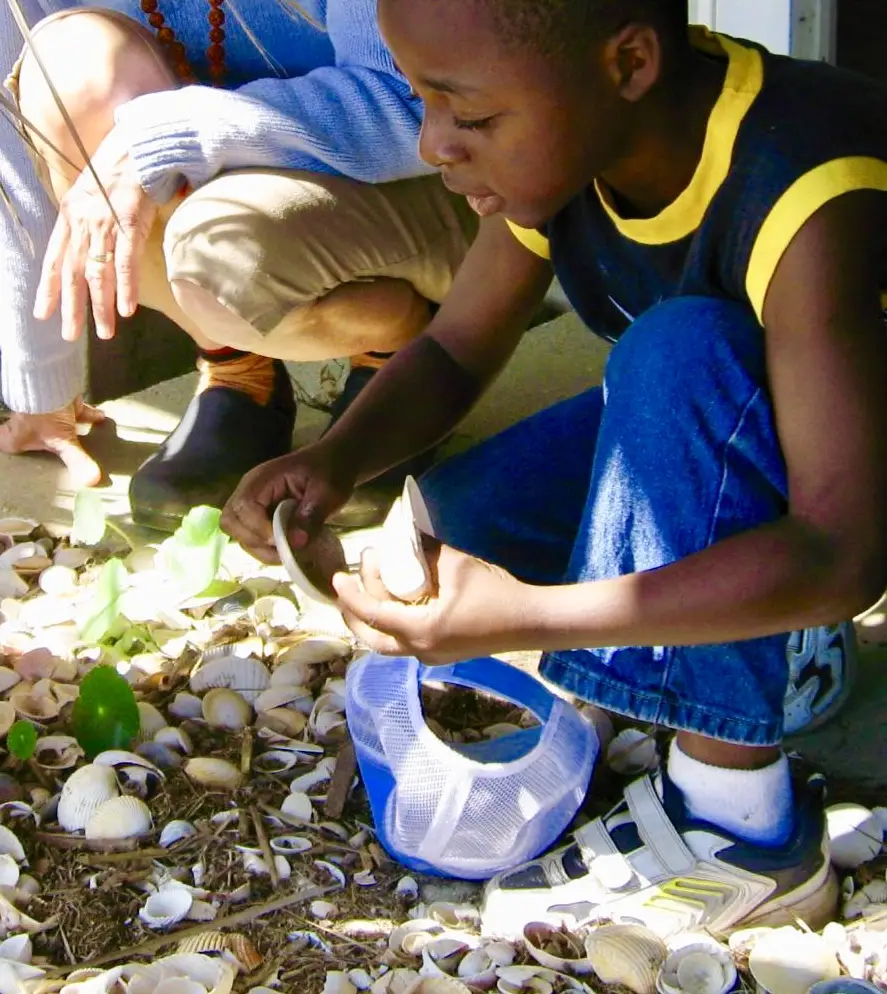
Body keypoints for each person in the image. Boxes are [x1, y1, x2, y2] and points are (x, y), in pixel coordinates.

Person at [222, 0, 887, 938]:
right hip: (768, 441)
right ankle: (674, 675)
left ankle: (737, 823)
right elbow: (454, 350)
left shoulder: (804, 184)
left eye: (471, 116)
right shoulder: (583, 133)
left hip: (845, 496)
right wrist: (336, 458)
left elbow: (843, 552)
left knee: (675, 351)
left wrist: (530, 616)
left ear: (627, 62)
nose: (434, 144)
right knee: (453, 527)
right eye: (424, 103)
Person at [0, 0, 475, 521]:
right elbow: (19, 116)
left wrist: (162, 137)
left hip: (427, 175)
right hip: (237, 181)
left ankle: (397, 355)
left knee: (217, 250)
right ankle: (237, 370)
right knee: (68, 60)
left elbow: (412, 107)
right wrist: (41, 384)